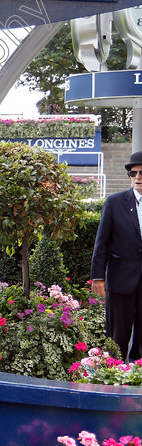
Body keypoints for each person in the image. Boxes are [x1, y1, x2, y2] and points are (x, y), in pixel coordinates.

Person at [91, 151, 142, 362]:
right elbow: (101, 242)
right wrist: (97, 276)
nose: (137, 177)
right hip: (121, 280)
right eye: (133, 173)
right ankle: (115, 374)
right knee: (117, 335)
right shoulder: (114, 202)